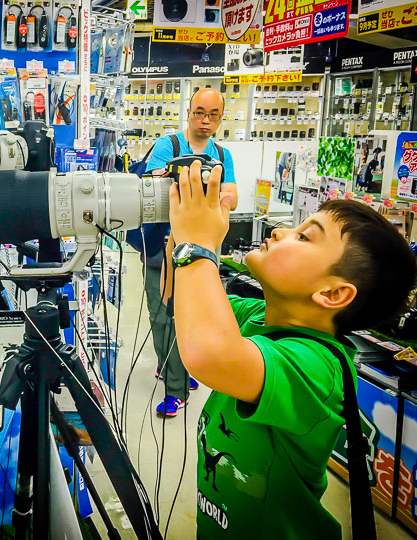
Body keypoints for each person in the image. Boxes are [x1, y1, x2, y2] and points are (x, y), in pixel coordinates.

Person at [165, 160, 417, 538]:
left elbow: (207, 354)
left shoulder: (318, 367)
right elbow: (178, 299)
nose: (281, 231)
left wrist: (196, 243)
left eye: (304, 237)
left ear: (332, 293)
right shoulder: (256, 317)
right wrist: (183, 223)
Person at [144, 88, 238, 417]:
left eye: (213, 114)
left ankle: (179, 384)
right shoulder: (167, 145)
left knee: (191, 317)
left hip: (200, 252)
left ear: (220, 117)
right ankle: (174, 377)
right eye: (200, 112)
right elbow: (151, 186)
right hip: (163, 248)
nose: (206, 120)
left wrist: (193, 187)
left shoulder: (223, 155)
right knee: (162, 315)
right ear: (189, 111)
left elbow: (231, 197)